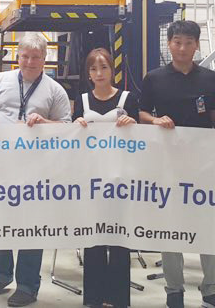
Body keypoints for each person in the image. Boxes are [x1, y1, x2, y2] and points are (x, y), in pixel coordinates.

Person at [137, 20, 215, 308]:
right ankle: (174, 291)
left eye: (188, 43)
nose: (182, 48)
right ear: (169, 44)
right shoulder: (154, 78)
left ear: (196, 45)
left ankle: (212, 290)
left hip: (205, 165)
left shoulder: (209, 78)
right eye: (177, 42)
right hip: (168, 163)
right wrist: (156, 120)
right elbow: (141, 113)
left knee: (208, 224)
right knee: (171, 226)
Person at [0, 32, 71, 307]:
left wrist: (44, 123)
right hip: (0, 164)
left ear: (44, 58)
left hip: (36, 169)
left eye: (35, 57)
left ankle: (28, 285)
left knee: (31, 225)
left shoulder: (55, 90)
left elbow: (67, 127)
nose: (29, 62)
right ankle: (1, 275)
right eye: (25, 56)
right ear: (18, 56)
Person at [73, 48, 138, 308]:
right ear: (88, 73)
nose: (99, 73)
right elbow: (72, 137)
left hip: (121, 179)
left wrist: (133, 124)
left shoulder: (128, 98)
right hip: (91, 180)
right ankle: (94, 298)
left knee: (120, 238)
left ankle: (119, 298)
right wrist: (76, 126)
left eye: (104, 67)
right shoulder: (82, 100)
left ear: (112, 70)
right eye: (93, 69)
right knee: (94, 237)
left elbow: (142, 139)